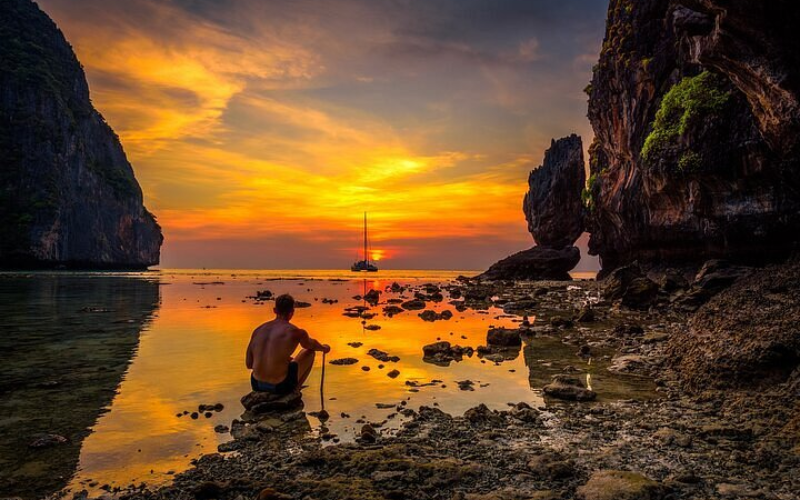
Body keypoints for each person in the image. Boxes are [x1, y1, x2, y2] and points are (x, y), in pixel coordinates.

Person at [246, 294, 330, 394]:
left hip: (256, 384)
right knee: (309, 353)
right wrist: (324, 348)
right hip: (280, 386)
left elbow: (249, 364)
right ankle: (295, 391)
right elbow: (311, 345)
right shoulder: (295, 332)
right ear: (292, 312)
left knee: (286, 360)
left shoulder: (258, 330)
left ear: (275, 310)